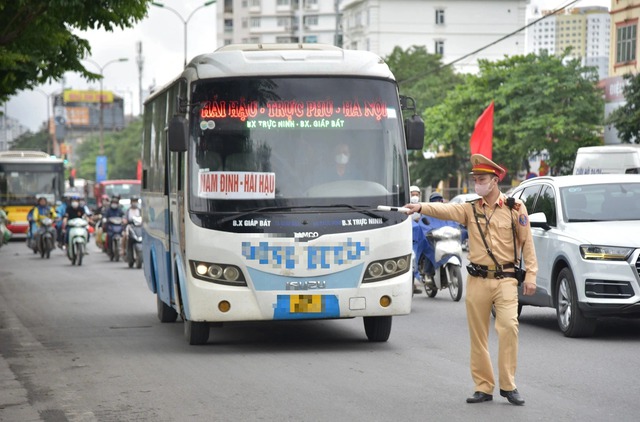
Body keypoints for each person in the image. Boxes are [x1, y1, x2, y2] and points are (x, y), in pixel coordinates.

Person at [404, 154, 538, 406]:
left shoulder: (515, 208)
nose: (478, 183)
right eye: (475, 179)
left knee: (509, 327)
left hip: (506, 279)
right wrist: (420, 206)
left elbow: (527, 243)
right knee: (478, 336)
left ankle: (508, 385)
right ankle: (483, 387)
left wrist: (530, 274)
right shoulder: (470, 208)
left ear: (495, 180)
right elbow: (445, 209)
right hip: (477, 279)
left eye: (482, 179)